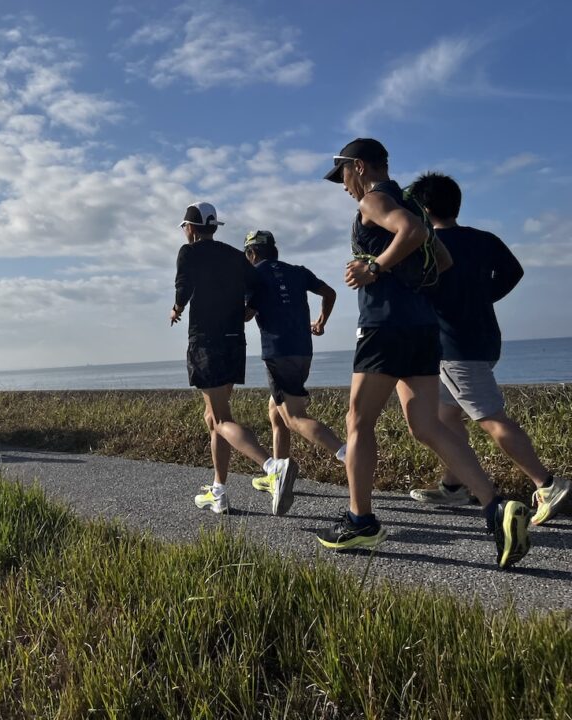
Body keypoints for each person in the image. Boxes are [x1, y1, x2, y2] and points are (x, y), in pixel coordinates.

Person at [321, 138, 531, 569]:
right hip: (421, 328)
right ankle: (495, 509)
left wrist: (376, 267)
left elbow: (413, 234)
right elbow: (444, 259)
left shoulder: (375, 200)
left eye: (342, 175)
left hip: (384, 328)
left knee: (358, 422)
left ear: (358, 167)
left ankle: (360, 522)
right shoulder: (412, 203)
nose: (343, 186)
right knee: (426, 426)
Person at [406, 172, 571, 525]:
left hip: (455, 348)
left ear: (423, 208)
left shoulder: (427, 245)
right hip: (485, 340)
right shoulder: (484, 239)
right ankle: (454, 487)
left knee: (490, 419)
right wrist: (483, 298)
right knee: (445, 416)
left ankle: (547, 484)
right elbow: (514, 272)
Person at [171, 202, 296, 517]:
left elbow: (184, 284)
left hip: (206, 342)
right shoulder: (234, 255)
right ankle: (219, 491)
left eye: (185, 226)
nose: (185, 231)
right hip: (233, 342)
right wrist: (248, 310)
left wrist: (177, 307)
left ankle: (273, 466)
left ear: (191, 227)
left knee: (222, 419)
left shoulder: (189, 253)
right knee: (213, 418)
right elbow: (256, 286)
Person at [242, 230, 347, 496]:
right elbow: (330, 292)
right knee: (275, 412)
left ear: (252, 253)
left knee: (295, 417)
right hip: (303, 353)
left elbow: (246, 315)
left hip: (278, 353)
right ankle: (277, 471)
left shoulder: (254, 275)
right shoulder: (298, 271)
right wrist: (322, 321)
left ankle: (349, 455)